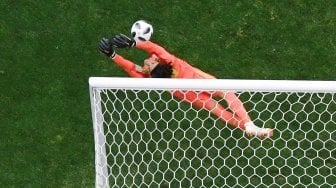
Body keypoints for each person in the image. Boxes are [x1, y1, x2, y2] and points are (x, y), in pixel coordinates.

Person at [98, 34, 273, 138]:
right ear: (155, 67)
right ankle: (250, 125)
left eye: (152, 61)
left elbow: (133, 67)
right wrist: (134, 44)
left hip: (193, 96)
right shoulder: (172, 63)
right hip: (201, 83)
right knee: (226, 94)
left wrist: (113, 55)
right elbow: (155, 49)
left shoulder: (153, 80)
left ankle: (250, 128)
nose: (152, 58)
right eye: (152, 62)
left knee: (219, 111)